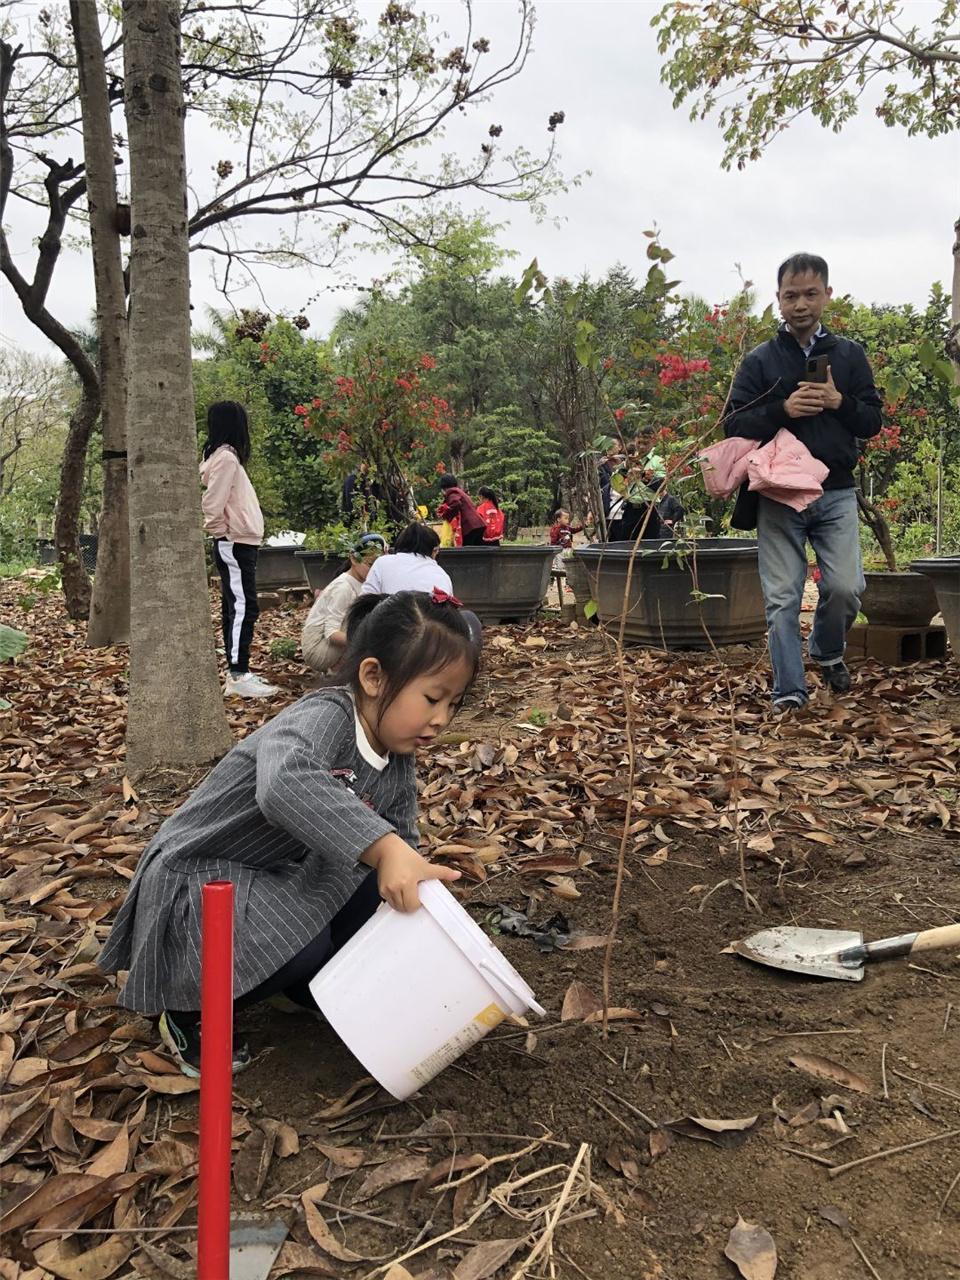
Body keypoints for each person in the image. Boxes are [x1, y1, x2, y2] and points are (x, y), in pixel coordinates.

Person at [98, 591, 479, 1077]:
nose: (442, 719)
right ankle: (190, 1010)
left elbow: (401, 840)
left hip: (271, 872)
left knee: (378, 886)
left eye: (453, 704)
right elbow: (282, 782)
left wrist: (416, 886)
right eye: (432, 698)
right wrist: (385, 850)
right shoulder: (325, 716)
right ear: (373, 676)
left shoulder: (396, 756)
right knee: (306, 941)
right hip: (201, 874)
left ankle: (303, 988)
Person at [723, 252, 882, 714]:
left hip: (835, 492)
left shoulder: (850, 356)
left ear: (827, 295)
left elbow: (871, 420)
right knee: (782, 598)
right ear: (778, 299)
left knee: (846, 588)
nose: (800, 304)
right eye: (790, 295)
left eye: (810, 294)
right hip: (777, 493)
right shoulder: (760, 360)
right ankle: (789, 692)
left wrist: (838, 400)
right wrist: (782, 411)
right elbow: (732, 423)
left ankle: (827, 649)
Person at [200, 401, 278, 698]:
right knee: (244, 606)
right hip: (235, 542)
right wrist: (224, 533)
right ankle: (238, 674)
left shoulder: (225, 458)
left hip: (241, 541)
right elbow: (212, 503)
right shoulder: (226, 459)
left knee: (236, 606)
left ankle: (239, 671)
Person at [362, 523, 483, 647]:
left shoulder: (382, 563)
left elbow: (364, 602)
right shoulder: (441, 575)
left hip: (383, 638)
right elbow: (449, 618)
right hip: (429, 646)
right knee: (469, 617)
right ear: (434, 551)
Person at [301, 533, 386, 674]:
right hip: (318, 650)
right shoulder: (344, 587)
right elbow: (331, 634)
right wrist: (366, 641)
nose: (374, 570)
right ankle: (338, 671)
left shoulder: (363, 583)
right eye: (370, 565)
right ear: (354, 558)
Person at [436, 474, 486, 546]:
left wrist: (447, 515)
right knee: (477, 553)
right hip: (478, 524)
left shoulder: (451, 492)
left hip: (470, 527)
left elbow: (456, 503)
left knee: (467, 553)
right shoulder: (459, 491)